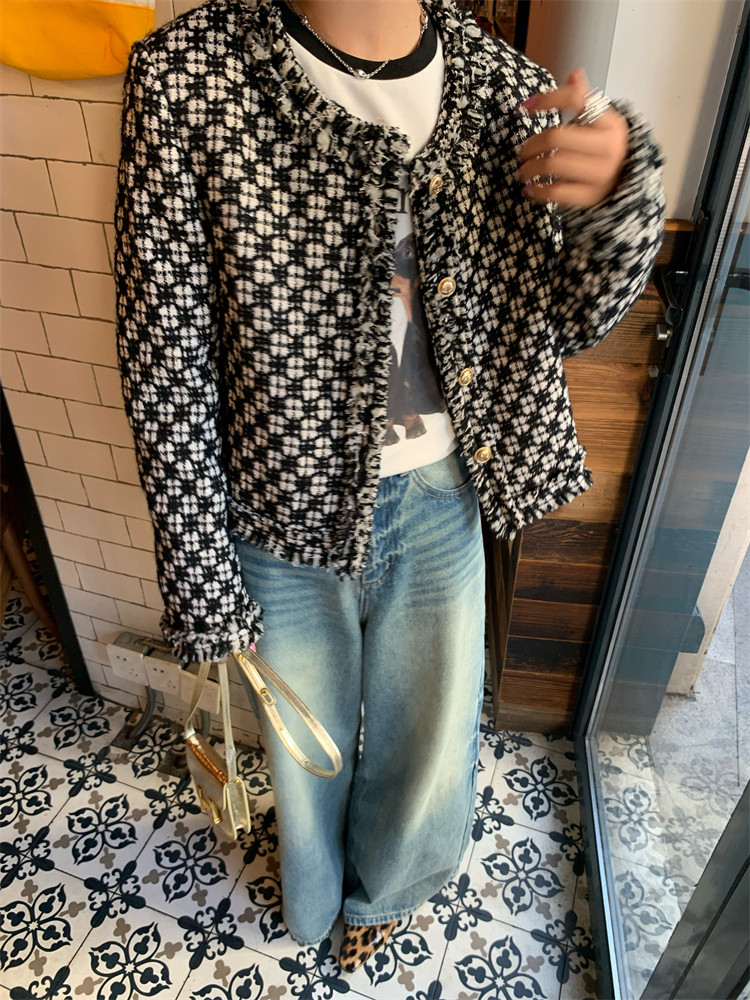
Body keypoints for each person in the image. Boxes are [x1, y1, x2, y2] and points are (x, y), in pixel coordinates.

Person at [114, 0, 665, 972]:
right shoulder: (189, 74)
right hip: (278, 510)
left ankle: (389, 890)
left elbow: (572, 318)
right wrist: (199, 572)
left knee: (428, 742)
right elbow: (166, 350)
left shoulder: (498, 89)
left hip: (442, 496)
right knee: (304, 744)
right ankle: (313, 891)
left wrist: (622, 193)